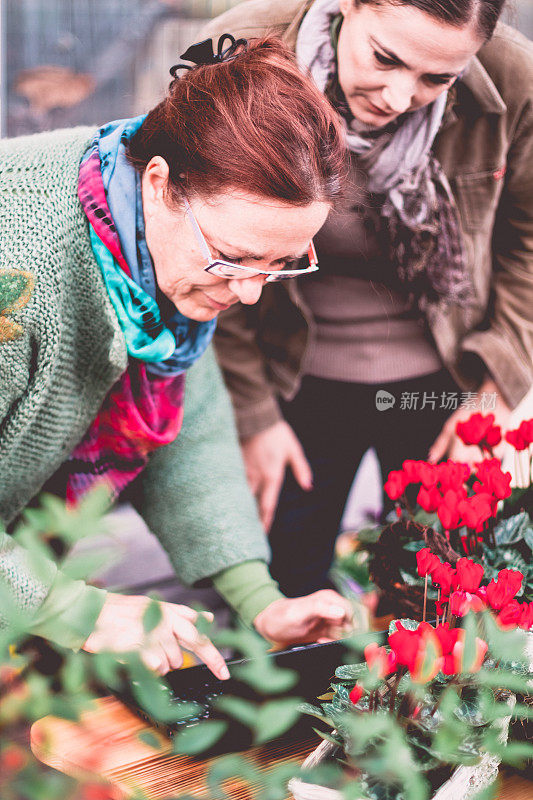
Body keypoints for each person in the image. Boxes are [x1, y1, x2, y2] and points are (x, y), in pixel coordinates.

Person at [0, 35, 354, 676]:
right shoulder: (17, 256)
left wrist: (261, 599)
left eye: (282, 265)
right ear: (161, 183)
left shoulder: (144, 240)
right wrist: (73, 610)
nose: (249, 292)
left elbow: (191, 426)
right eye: (236, 257)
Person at [201, 1, 533, 596]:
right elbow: (206, 252)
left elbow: (528, 243)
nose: (399, 97)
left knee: (438, 588)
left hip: (445, 383)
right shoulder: (237, 54)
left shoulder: (515, 80)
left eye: (439, 78)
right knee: (286, 583)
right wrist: (250, 415)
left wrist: (494, 390)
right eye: (385, 58)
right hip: (291, 378)